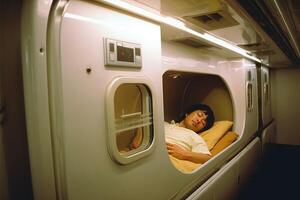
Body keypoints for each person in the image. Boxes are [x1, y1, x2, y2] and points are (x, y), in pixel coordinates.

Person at [130, 103, 215, 164]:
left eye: (203, 123)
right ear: (187, 113)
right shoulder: (162, 123)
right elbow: (144, 124)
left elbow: (208, 159)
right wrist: (139, 142)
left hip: (162, 161)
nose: (199, 120)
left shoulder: (195, 136)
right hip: (142, 154)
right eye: (199, 115)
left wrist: (185, 154)